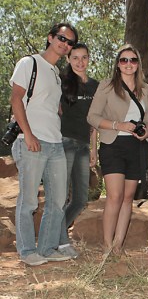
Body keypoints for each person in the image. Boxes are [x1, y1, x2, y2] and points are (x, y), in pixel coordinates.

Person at [10, 23, 78, 266]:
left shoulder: (56, 74)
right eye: (62, 38)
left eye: (70, 42)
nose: (65, 44)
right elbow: (16, 99)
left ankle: (47, 249)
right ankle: (27, 251)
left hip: (55, 143)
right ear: (50, 37)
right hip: (31, 141)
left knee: (57, 201)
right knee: (28, 201)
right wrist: (28, 134)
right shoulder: (29, 63)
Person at [87, 45, 148, 255]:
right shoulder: (107, 86)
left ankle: (118, 246)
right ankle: (107, 246)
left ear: (138, 64)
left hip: (136, 147)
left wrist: (146, 132)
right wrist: (119, 125)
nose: (128, 64)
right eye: (124, 60)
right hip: (112, 145)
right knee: (115, 196)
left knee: (128, 197)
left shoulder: (146, 89)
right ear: (117, 64)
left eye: (133, 60)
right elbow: (92, 117)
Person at [58, 42, 99, 258]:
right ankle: (61, 241)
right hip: (64, 143)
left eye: (84, 57)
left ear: (89, 59)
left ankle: (57, 234)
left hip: (83, 145)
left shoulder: (95, 86)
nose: (80, 62)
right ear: (68, 59)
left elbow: (94, 121)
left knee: (81, 199)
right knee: (60, 196)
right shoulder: (61, 82)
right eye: (75, 57)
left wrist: (94, 149)